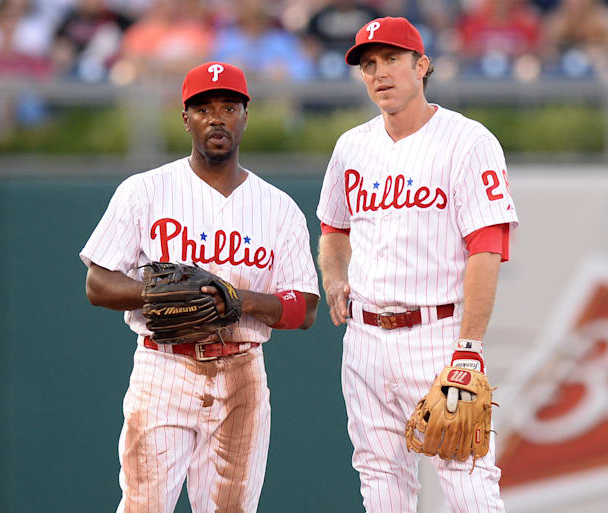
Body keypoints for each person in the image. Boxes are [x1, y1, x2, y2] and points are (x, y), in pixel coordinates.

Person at [80, 61, 320, 513]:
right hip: (164, 368)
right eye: (203, 107)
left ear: (245, 116)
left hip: (242, 374)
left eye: (228, 107)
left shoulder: (279, 208)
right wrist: (166, 294)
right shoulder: (145, 191)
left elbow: (303, 308)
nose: (217, 118)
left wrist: (238, 300)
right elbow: (98, 283)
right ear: (185, 117)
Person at [316, 17, 518, 513]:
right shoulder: (351, 147)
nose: (379, 73)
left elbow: (487, 248)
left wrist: (469, 348)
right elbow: (333, 230)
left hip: (437, 333)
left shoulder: (468, 141)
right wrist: (335, 276)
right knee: (379, 479)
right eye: (368, 65)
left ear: (422, 65)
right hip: (364, 340)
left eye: (391, 60)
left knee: (469, 482)